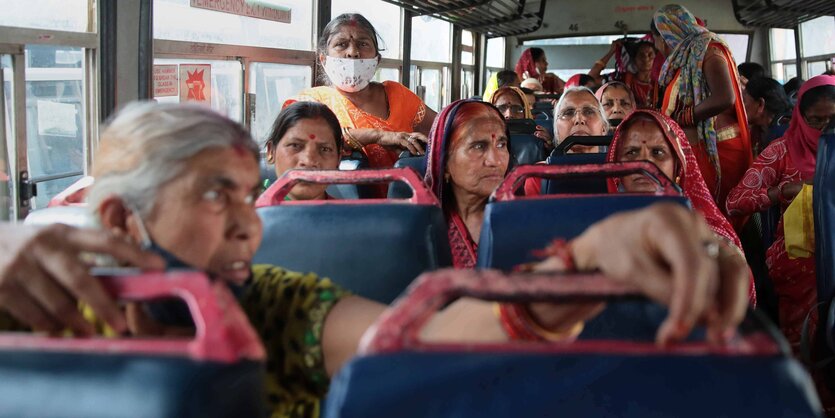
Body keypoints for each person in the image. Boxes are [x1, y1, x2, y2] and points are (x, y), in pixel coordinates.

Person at [0, 102, 749, 417]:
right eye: (211, 197)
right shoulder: (27, 312)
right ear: (117, 219)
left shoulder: (268, 303)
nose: (248, 230)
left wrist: (584, 258)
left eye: (246, 196)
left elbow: (426, 337)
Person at [726, 75, 835, 355]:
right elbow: (735, 202)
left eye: (832, 121)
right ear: (800, 116)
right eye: (816, 121)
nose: (825, 130)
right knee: (808, 345)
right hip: (798, 259)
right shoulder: (781, 152)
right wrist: (782, 192)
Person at [606, 109, 756, 303]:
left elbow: (736, 279)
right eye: (631, 152)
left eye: (658, 153)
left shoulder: (707, 230)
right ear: (616, 166)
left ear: (678, 168)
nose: (644, 162)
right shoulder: (599, 226)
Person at [284, 13, 434, 195]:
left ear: (377, 60)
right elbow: (304, 142)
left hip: (407, 208)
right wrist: (378, 137)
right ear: (324, 59)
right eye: (341, 44)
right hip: (340, 213)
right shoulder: (312, 102)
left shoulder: (398, 95)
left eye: (363, 44)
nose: (353, 52)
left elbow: (441, 128)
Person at [651, 4, 753, 225]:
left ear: (667, 32)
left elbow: (725, 98)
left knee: (716, 216)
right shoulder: (688, 54)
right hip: (700, 146)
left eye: (656, 38)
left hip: (718, 146)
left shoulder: (708, 51)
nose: (658, 46)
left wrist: (684, 118)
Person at [257, 102, 342, 206]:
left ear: (338, 160)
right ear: (271, 151)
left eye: (324, 149)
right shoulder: (243, 214)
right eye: (295, 146)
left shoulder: (349, 219)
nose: (308, 161)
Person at [589, 39, 660, 109]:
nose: (646, 59)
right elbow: (591, 77)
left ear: (656, 58)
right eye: (641, 55)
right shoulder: (621, 79)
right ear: (634, 58)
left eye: (650, 55)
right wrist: (611, 52)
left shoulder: (661, 82)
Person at [742, 77, 793, 154]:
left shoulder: (783, 137)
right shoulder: (761, 130)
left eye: (743, 101)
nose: (740, 107)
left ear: (760, 104)